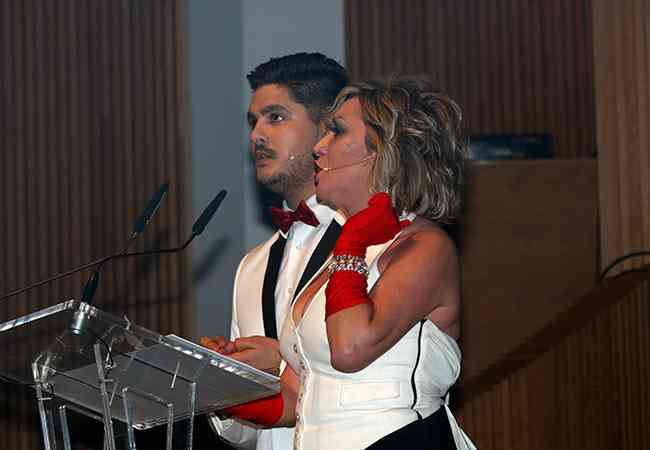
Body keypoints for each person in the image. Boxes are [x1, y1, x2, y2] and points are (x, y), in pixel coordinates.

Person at [225, 77, 477, 450]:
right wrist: (214, 387)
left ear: (384, 151)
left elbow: (350, 349)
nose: (319, 146)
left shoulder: (424, 246)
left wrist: (352, 241)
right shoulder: (342, 256)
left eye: (337, 132)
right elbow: (298, 398)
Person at [201, 52, 348, 450]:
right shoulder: (251, 267)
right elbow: (252, 437)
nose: (256, 136)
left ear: (327, 130)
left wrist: (282, 362)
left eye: (276, 117)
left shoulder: (376, 240)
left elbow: (384, 382)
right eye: (254, 121)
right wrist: (222, 382)